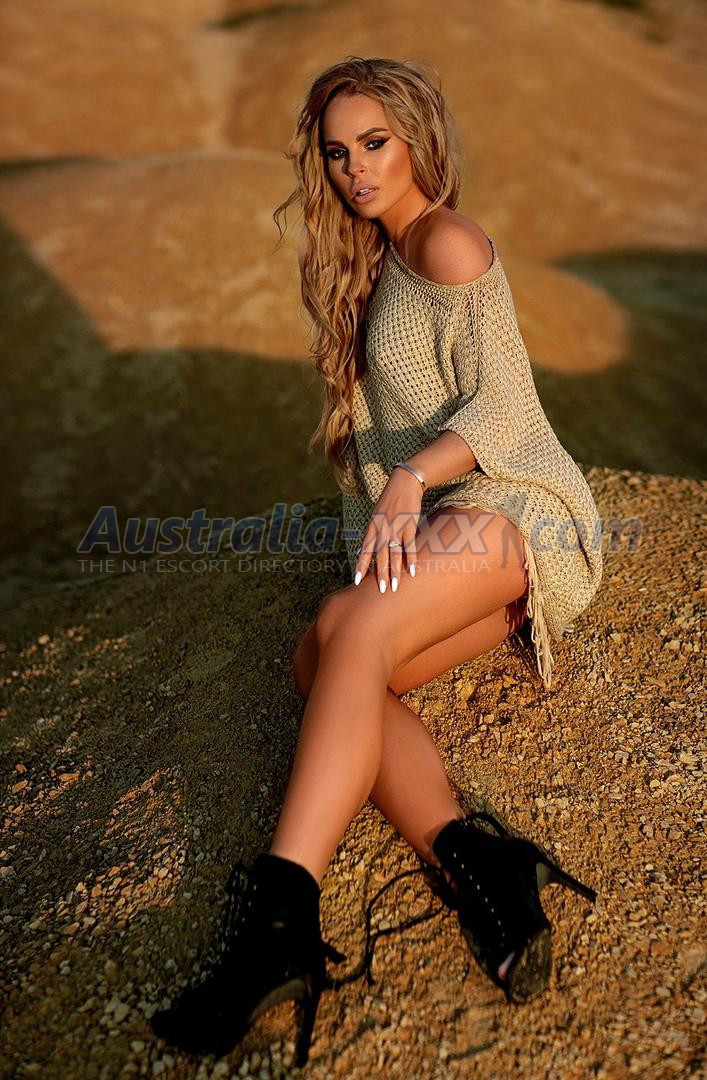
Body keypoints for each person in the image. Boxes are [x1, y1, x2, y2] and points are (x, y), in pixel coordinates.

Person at [150, 56, 603, 1068]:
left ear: (415, 138)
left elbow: (501, 406)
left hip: (515, 507)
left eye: (373, 143)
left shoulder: (446, 239)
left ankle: (281, 921)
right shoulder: (373, 256)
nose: (355, 168)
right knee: (323, 664)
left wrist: (409, 480)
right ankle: (479, 864)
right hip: (448, 523)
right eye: (336, 152)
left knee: (344, 635)